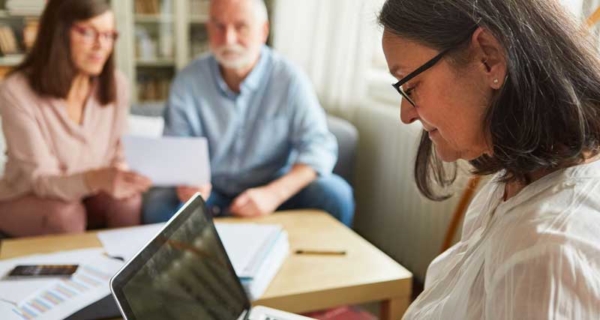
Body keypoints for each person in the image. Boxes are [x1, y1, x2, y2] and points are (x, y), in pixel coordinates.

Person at [379, 0, 600, 318]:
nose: (406, 114)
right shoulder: (509, 185)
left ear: (489, 59)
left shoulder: (546, 249)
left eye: (410, 86)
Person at [142, 0, 354, 226]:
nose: (228, 39)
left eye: (240, 27)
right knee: (158, 206)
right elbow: (175, 149)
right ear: (208, 29)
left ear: (263, 31)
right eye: (219, 27)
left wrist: (274, 193)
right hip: (209, 192)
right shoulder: (187, 81)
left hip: (273, 190)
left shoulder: (290, 79)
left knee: (336, 195)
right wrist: (187, 180)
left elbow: (319, 147)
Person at [0, 0, 152, 237]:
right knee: (66, 215)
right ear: (58, 32)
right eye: (89, 32)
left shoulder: (116, 84)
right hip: (28, 196)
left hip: (88, 191)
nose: (101, 46)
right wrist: (95, 179)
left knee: (128, 202)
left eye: (109, 35)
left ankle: (132, 272)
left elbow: (120, 154)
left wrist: (125, 176)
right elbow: (41, 180)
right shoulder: (15, 91)